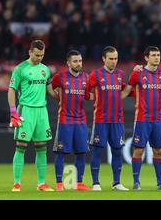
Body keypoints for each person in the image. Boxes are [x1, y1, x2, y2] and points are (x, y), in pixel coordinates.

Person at [9, 40, 57, 192]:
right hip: (26, 110)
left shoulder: (45, 70)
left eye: (42, 55)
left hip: (41, 111)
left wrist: (64, 96)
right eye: (37, 55)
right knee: (21, 146)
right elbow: (11, 90)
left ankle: (41, 183)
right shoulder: (20, 69)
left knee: (41, 148)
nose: (39, 58)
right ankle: (17, 183)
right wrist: (13, 111)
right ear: (30, 52)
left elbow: (50, 91)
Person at [125, 46, 161, 190]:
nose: (157, 57)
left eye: (158, 54)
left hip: (157, 119)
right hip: (142, 118)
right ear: (146, 58)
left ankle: (160, 183)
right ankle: (136, 182)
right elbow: (126, 91)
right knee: (139, 150)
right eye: (153, 55)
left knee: (158, 151)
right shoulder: (137, 74)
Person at [87, 46, 130, 191]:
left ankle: (116, 183)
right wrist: (94, 100)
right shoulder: (95, 74)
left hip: (117, 120)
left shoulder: (119, 74)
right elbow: (85, 91)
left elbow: (124, 90)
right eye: (111, 59)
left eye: (116, 58)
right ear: (104, 59)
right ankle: (95, 183)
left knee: (117, 151)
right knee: (98, 150)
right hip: (101, 119)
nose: (113, 61)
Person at [51, 50, 92, 191]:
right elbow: (49, 88)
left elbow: (87, 96)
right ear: (68, 63)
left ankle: (79, 183)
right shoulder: (60, 77)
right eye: (75, 61)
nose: (78, 64)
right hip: (65, 119)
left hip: (81, 120)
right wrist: (58, 97)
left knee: (81, 152)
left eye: (80, 61)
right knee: (61, 152)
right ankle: (58, 183)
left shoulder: (86, 77)